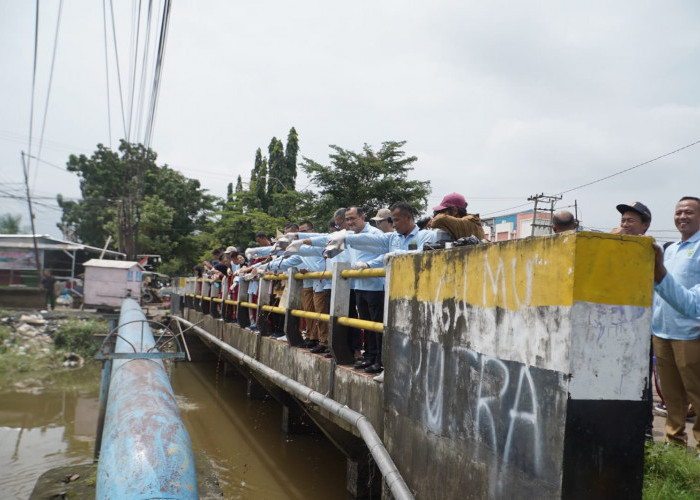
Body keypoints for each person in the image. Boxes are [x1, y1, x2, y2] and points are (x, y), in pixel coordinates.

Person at [651, 196, 700, 452]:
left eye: (689, 212)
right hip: (662, 332)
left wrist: (660, 273)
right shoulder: (670, 249)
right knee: (671, 397)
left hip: (690, 334)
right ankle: (674, 444)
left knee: (696, 394)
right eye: (679, 211)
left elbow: (694, 303)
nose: (682, 216)